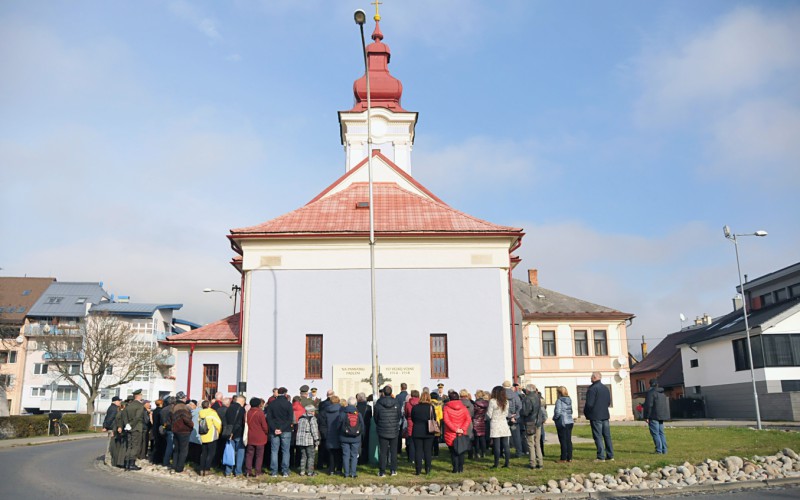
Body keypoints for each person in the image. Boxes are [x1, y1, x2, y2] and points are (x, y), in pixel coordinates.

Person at [584, 371, 613, 462]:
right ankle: (610, 455)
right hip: (605, 414)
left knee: (598, 436)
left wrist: (586, 413)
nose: (590, 378)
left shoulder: (592, 389)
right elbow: (608, 402)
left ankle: (601, 456)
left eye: (591, 377)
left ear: (594, 378)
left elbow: (589, 404)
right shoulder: (605, 388)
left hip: (595, 416)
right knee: (607, 436)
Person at [373, 385, 402, 477]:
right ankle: (393, 470)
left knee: (383, 452)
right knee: (393, 451)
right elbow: (398, 416)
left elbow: (376, 417)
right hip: (393, 429)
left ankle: (382, 471)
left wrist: (380, 424)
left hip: (383, 429)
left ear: (383, 393)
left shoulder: (378, 403)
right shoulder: (396, 402)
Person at [266, 387, 294, 477]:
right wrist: (281, 429)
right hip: (285, 430)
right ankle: (285, 471)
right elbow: (290, 420)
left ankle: (274, 471)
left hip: (274, 430)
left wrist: (275, 429)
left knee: (274, 451)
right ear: (286, 394)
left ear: (278, 393)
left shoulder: (272, 404)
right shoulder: (288, 404)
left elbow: (268, 418)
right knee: (285, 451)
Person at [443, 390, 471, 473]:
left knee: (453, 452)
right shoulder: (463, 407)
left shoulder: (446, 408)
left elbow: (446, 420)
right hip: (461, 432)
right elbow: (468, 419)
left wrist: (455, 429)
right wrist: (462, 429)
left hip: (451, 432)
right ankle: (461, 468)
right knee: (461, 451)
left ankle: (455, 468)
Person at [410, 390, 435, 475]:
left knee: (418, 451)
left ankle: (418, 470)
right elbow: (433, 418)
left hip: (417, 430)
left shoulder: (415, 407)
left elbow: (412, 418)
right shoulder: (431, 407)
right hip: (429, 431)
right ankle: (428, 469)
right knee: (428, 451)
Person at [119, 388, 145, 471]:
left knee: (129, 445)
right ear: (139, 396)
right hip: (136, 428)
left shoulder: (129, 406)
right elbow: (137, 417)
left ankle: (126, 463)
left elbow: (124, 416)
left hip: (129, 428)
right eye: (141, 395)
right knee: (135, 446)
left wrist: (127, 424)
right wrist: (130, 425)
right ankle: (131, 464)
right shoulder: (140, 405)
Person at [643, 378, 670, 454]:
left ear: (650, 384)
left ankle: (658, 450)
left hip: (653, 416)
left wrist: (646, 416)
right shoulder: (662, 393)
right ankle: (665, 450)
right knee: (661, 433)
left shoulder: (650, 393)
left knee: (655, 433)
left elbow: (648, 405)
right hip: (661, 416)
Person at [487, 385, 511, 468]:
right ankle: (507, 463)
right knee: (506, 445)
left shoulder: (492, 401)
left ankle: (496, 463)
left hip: (495, 423)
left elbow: (489, 414)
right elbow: (507, 414)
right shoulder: (506, 401)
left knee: (496, 445)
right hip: (504, 423)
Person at [170, 392, 194, 473]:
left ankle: (174, 466)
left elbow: (170, 419)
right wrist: (192, 425)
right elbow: (186, 419)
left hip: (175, 430)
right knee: (183, 450)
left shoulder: (174, 406)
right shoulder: (183, 407)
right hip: (183, 430)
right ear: (183, 398)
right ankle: (179, 468)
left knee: (176, 449)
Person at [245, 397, 269, 477]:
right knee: (259, 455)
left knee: (249, 454)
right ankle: (257, 471)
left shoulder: (247, 413)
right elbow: (264, 426)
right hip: (260, 437)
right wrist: (266, 432)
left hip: (250, 436)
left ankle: (248, 471)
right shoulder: (260, 413)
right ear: (259, 404)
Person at [521, 384, 543, 469]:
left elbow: (526, 412)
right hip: (538, 422)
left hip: (530, 422)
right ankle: (540, 462)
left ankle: (532, 463)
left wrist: (521, 413)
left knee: (530, 443)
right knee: (537, 443)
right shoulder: (538, 396)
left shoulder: (527, 399)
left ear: (528, 391)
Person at [224, 395, 247, 477]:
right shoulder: (241, 409)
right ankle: (238, 471)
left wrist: (228, 432)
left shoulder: (229, 408)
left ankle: (228, 471)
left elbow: (225, 420)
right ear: (242, 401)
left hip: (228, 433)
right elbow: (239, 423)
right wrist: (233, 432)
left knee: (229, 452)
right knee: (240, 453)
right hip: (237, 433)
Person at [340, 400, 364, 478]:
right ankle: (353, 473)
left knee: (346, 455)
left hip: (344, 438)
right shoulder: (358, 414)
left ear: (347, 404)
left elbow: (338, 426)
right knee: (354, 455)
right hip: (356, 438)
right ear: (355, 405)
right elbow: (362, 426)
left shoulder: (343, 413)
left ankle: (346, 473)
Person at [198, 400, 222, 476]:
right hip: (211, 435)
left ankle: (201, 469)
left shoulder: (200, 413)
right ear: (209, 405)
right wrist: (219, 431)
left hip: (203, 435)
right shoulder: (212, 413)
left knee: (203, 453)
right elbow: (218, 423)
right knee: (211, 453)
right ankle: (207, 469)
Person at [321, 395, 343, 475]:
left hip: (329, 433)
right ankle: (339, 469)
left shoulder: (325, 411)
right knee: (339, 453)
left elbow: (323, 424)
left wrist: (325, 434)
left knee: (331, 453)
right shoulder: (341, 410)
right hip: (339, 433)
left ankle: (331, 470)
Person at [296, 404, 320, 476]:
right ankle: (310, 472)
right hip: (309, 440)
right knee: (311, 456)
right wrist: (317, 439)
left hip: (300, 440)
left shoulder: (301, 418)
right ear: (311, 412)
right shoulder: (312, 418)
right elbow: (314, 430)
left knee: (303, 456)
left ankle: (302, 471)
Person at [552, 386, 574, 462]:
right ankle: (569, 457)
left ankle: (563, 457)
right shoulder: (569, 399)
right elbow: (571, 411)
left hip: (562, 421)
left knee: (563, 440)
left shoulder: (559, 401)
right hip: (570, 421)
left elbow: (558, 411)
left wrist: (555, 418)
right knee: (568, 440)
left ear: (559, 392)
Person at [503, 380, 523, 458]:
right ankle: (519, 452)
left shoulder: (501, 395)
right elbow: (519, 406)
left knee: (505, 436)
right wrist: (514, 416)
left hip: (505, 418)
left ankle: (505, 452)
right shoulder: (515, 395)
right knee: (516, 436)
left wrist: (508, 415)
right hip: (514, 419)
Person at [102, 396, 121, 466]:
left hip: (110, 427)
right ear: (115, 401)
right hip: (112, 428)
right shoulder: (114, 409)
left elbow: (106, 417)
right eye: (119, 401)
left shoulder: (110, 407)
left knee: (110, 444)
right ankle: (108, 460)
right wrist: (106, 426)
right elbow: (110, 418)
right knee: (111, 445)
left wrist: (104, 426)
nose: (120, 402)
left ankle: (108, 459)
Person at [403, 389, 420, 464]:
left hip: (410, 422)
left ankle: (411, 458)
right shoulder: (420, 402)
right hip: (419, 423)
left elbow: (406, 414)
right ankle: (419, 457)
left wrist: (408, 418)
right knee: (419, 442)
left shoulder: (407, 404)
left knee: (411, 442)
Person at [355, 392, 372, 465]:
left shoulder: (355, 408)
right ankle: (365, 459)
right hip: (366, 427)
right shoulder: (368, 407)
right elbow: (370, 418)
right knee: (366, 443)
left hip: (357, 427)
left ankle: (358, 459)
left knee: (358, 444)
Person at [472, 390, 489, 459]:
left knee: (476, 439)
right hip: (483, 421)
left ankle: (477, 452)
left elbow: (474, 412)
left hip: (476, 421)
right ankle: (483, 452)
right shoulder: (487, 403)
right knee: (482, 438)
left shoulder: (475, 404)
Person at [160, 396, 175, 467]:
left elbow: (162, 420)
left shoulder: (163, 409)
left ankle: (164, 460)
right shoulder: (173, 409)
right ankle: (166, 461)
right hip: (171, 428)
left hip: (164, 428)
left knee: (166, 445)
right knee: (170, 446)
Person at [395, 383, 409, 456]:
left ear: (401, 388)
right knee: (407, 432)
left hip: (399, 416)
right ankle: (408, 448)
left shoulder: (398, 396)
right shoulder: (408, 396)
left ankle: (398, 449)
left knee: (399, 433)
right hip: (406, 416)